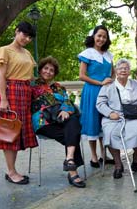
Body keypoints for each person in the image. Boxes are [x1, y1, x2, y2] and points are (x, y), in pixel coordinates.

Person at [0, 21, 38, 184]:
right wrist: (3, 99)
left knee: (17, 134)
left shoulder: (27, 53)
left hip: (25, 93)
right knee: (9, 132)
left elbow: (30, 76)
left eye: (30, 37)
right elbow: (1, 76)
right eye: (24, 35)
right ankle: (11, 172)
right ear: (17, 31)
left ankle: (12, 170)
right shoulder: (4, 50)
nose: (27, 39)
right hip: (11, 92)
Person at [31, 56, 85, 188]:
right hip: (43, 122)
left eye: (51, 70)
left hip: (61, 119)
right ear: (41, 69)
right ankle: (72, 170)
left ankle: (69, 159)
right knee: (72, 134)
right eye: (46, 68)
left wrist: (66, 110)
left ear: (54, 73)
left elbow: (67, 101)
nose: (48, 72)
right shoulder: (32, 85)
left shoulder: (59, 87)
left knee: (72, 121)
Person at [96, 59, 137, 179]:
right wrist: (110, 113)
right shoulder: (108, 86)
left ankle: (136, 157)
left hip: (134, 115)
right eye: (120, 68)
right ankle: (118, 164)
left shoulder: (136, 84)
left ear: (129, 71)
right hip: (114, 116)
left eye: (126, 68)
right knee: (109, 133)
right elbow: (100, 103)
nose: (123, 70)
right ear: (116, 71)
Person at [78, 25, 115, 168]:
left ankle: (104, 154)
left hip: (106, 92)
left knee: (104, 122)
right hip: (92, 91)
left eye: (104, 37)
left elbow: (113, 73)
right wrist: (100, 82)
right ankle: (93, 157)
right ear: (94, 36)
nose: (101, 39)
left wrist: (110, 81)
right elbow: (82, 76)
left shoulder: (108, 54)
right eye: (99, 35)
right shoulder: (87, 53)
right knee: (93, 121)